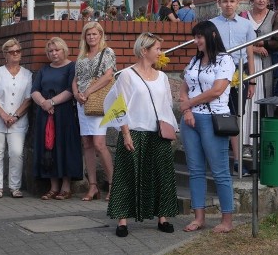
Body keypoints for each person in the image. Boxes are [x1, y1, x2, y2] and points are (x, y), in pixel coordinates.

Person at [107, 33, 178, 237]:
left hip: (157, 133)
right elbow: (119, 106)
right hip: (135, 132)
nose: (160, 52)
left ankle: (162, 217)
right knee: (128, 176)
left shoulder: (163, 77)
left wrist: (170, 129)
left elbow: (167, 105)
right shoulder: (127, 75)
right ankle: (122, 220)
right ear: (144, 50)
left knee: (161, 175)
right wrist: (126, 133)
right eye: (156, 48)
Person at [179, 21, 236, 233]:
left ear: (212, 35)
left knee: (220, 171)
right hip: (191, 120)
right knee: (195, 170)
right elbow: (184, 88)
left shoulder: (225, 59)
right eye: (195, 37)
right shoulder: (195, 60)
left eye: (199, 37)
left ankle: (227, 220)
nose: (196, 41)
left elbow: (217, 90)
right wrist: (186, 111)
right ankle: (199, 217)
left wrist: (189, 104)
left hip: (213, 119)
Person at [210, 0, 255, 175]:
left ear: (238, 3)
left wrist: (251, 81)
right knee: (218, 116)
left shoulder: (246, 25)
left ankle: (237, 161)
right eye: (225, 1)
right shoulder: (211, 24)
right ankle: (216, 161)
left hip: (239, 74)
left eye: (232, 1)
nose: (228, 5)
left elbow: (250, 54)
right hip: (217, 74)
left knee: (235, 117)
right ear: (219, 3)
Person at [31, 37, 83, 200]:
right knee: (49, 148)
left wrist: (52, 102)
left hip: (64, 114)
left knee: (64, 146)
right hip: (45, 114)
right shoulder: (44, 70)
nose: (53, 53)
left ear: (64, 50)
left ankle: (66, 187)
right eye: (50, 51)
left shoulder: (72, 67)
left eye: (57, 50)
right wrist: (44, 103)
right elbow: (34, 90)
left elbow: (70, 90)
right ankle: (53, 187)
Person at [0, 38, 32, 199]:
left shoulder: (27, 74)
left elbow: (28, 99)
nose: (16, 54)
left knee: (16, 152)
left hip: (18, 120)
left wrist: (16, 115)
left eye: (18, 51)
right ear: (5, 54)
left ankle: (15, 187)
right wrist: (3, 114)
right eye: (12, 52)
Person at [72, 22, 116, 201]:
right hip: (82, 103)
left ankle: (114, 184)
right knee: (87, 143)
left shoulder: (107, 52)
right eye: (88, 34)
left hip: (98, 102)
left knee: (99, 143)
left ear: (100, 35)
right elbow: (76, 79)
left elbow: (108, 75)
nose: (91, 37)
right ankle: (93, 186)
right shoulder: (82, 56)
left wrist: (88, 92)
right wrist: (76, 93)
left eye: (94, 34)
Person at [240, 0, 278, 148]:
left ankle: (261, 141)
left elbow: (277, 42)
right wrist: (254, 49)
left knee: (263, 98)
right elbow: (237, 40)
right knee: (245, 101)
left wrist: (262, 44)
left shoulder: (273, 16)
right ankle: (243, 142)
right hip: (245, 62)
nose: (261, 0)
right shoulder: (243, 16)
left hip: (265, 64)